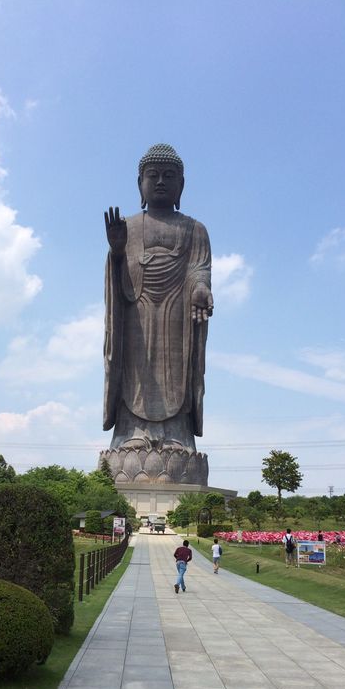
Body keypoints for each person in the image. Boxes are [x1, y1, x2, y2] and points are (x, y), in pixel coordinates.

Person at [102, 144, 214, 483]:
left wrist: (200, 288)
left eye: (169, 176)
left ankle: (177, 434)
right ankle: (131, 433)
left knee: (178, 369)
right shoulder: (128, 226)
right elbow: (118, 278)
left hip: (177, 317)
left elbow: (199, 269)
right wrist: (117, 252)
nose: (161, 182)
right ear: (140, 184)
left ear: (182, 185)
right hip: (136, 313)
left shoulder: (195, 230)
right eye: (153, 175)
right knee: (134, 370)